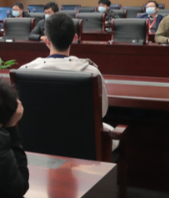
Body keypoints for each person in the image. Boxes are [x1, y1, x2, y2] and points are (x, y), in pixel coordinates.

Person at [19, 12, 117, 149]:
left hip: (37, 142)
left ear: (46, 40)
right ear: (75, 38)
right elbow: (102, 112)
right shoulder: (91, 72)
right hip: (82, 145)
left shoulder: (24, 71)